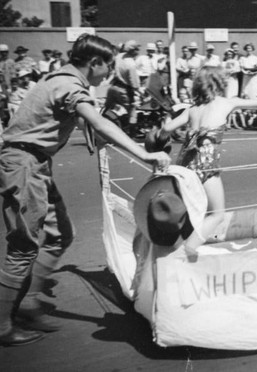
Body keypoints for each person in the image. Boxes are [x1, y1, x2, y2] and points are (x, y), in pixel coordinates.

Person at [0, 34, 170, 346]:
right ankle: (2, 325)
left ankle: (29, 303)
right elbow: (98, 123)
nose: (109, 73)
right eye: (107, 66)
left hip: (35, 164)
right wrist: (144, 154)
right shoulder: (68, 84)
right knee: (23, 247)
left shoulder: (60, 80)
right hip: (23, 164)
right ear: (93, 63)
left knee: (58, 236)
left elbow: (87, 125)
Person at [157, 66, 257, 257]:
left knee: (190, 210)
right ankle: (189, 249)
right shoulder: (227, 103)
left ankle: (177, 246)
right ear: (220, 83)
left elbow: (166, 129)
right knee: (217, 214)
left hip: (185, 165)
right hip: (206, 164)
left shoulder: (192, 109)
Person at [103, 39, 142, 133]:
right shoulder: (131, 64)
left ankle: (102, 126)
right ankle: (132, 135)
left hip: (113, 88)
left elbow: (112, 70)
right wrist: (142, 93)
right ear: (134, 51)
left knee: (107, 109)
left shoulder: (118, 57)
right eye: (137, 49)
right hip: (124, 90)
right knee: (132, 113)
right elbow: (135, 84)